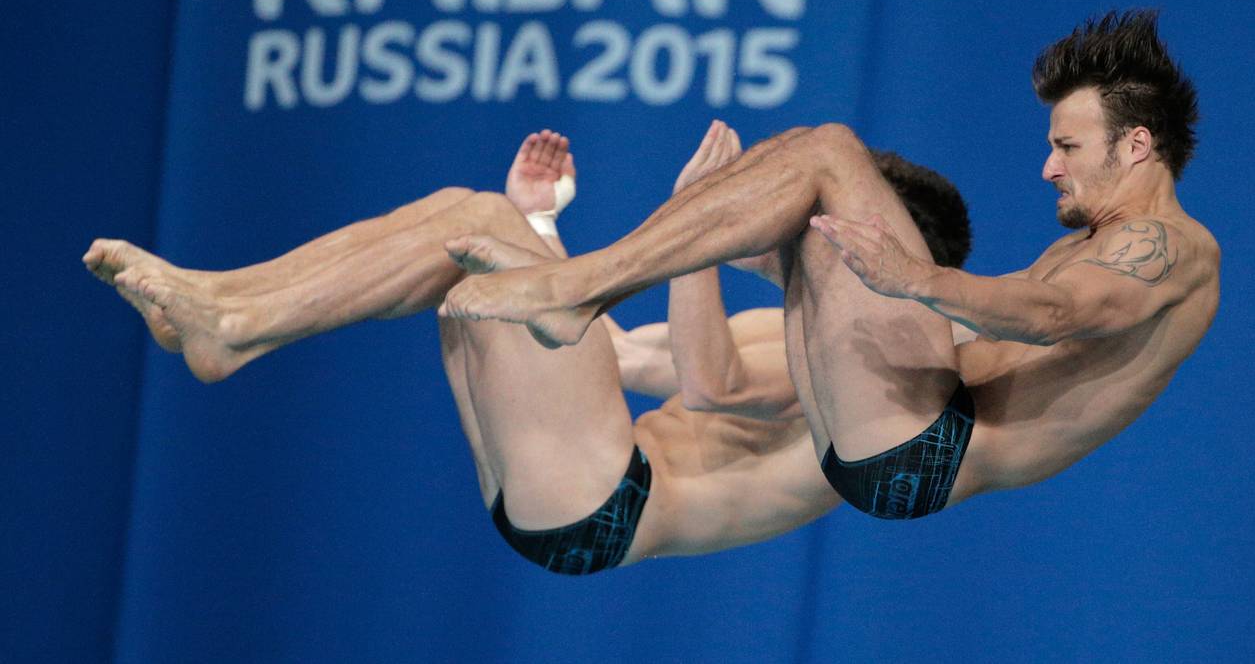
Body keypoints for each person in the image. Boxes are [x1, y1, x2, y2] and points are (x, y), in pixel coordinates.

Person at [84, 123, 972, 573]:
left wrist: (692, 237)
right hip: (573, 491)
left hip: (608, 499)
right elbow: (608, 355)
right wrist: (541, 227)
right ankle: (231, 313)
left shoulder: (858, 353)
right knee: (465, 223)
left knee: (477, 224)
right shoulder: (775, 332)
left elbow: (706, 385)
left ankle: (236, 325)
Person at [440, 9, 1221, 520]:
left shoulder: (1171, 248)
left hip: (931, 447)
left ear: (1137, 144)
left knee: (829, 152)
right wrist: (544, 226)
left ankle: (579, 289)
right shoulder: (1089, 243)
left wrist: (912, 280)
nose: (1049, 168)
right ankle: (572, 281)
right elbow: (976, 332)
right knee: (807, 196)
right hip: (901, 438)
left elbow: (1057, 316)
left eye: (1067, 147)